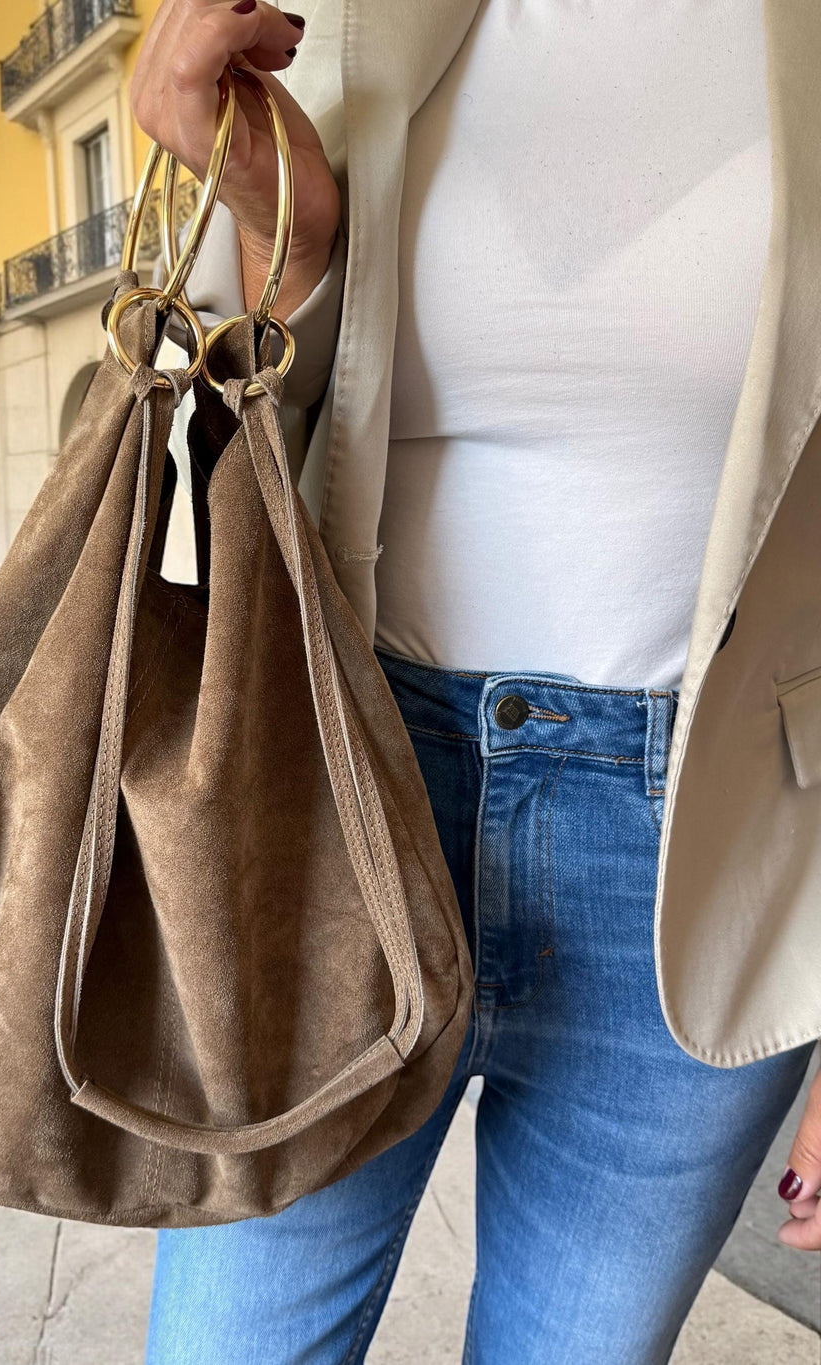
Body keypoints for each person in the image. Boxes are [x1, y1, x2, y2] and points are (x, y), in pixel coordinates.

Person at [131, 2, 821, 1360]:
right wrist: (285, 234)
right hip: (343, 803)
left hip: (717, 841)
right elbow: (222, 411)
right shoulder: (337, 13)